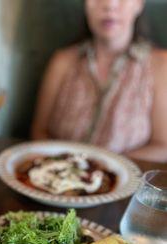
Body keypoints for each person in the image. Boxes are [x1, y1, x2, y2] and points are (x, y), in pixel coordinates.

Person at [31, 0, 167, 162]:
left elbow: (163, 147)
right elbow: (38, 132)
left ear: (139, 4)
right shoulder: (62, 62)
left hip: (128, 183)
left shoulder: (160, 65)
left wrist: (105, 166)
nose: (109, 5)